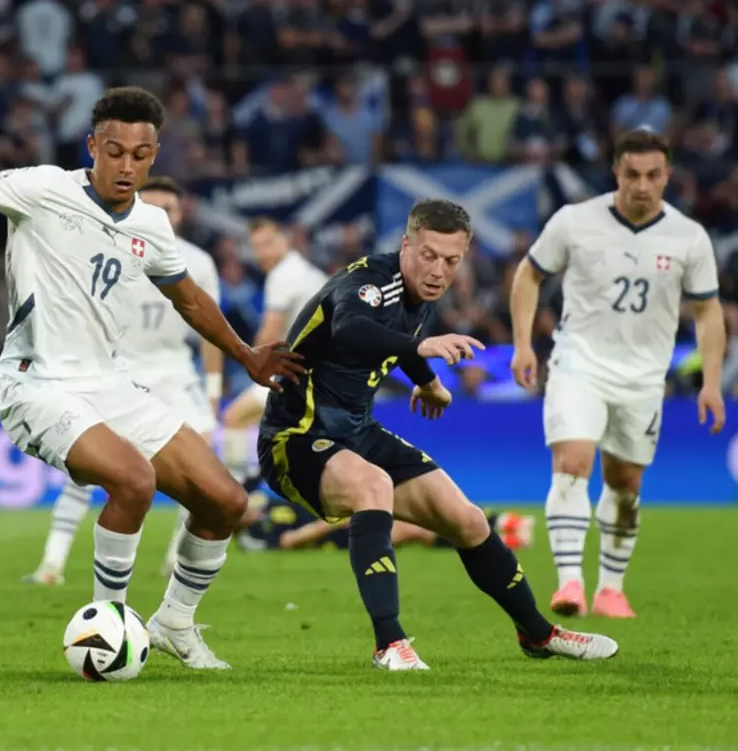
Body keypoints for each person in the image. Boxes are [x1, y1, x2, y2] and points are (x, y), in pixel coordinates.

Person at [0, 87, 304, 671]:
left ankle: (174, 622)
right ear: (92, 146)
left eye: (140, 155)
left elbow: (190, 299)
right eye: (114, 152)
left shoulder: (151, 223)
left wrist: (245, 354)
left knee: (225, 500)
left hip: (110, 383)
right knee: (134, 479)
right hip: (36, 383)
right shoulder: (45, 188)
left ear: (154, 155)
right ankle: (107, 629)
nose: (126, 166)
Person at [256, 198, 618, 671]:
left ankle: (538, 634)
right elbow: (351, 330)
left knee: (468, 520)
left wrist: (426, 381)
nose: (438, 271)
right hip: (295, 438)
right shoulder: (370, 284)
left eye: (451, 260)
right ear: (406, 245)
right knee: (373, 486)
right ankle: (390, 643)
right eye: (428, 255)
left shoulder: (417, 294)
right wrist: (422, 348)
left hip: (357, 432)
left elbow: (395, 341)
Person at [509, 129, 725, 620]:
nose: (642, 185)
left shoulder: (689, 237)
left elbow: (708, 312)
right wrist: (522, 343)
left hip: (644, 378)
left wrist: (711, 382)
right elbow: (529, 273)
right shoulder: (575, 221)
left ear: (667, 177)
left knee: (625, 483)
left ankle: (611, 589)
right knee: (572, 462)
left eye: (652, 175)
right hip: (578, 363)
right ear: (616, 173)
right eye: (632, 175)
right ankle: (570, 583)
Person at [23, 176, 224, 585]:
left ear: (180, 214)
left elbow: (209, 329)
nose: (161, 214)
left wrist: (214, 388)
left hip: (173, 370)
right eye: (153, 206)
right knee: (85, 466)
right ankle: (51, 563)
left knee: (201, 462)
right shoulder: (103, 248)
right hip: (117, 368)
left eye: (169, 208)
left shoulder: (199, 262)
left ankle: (177, 558)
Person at [219, 219, 329, 481]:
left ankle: (239, 488)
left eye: (268, 243)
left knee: (234, 418)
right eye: (256, 247)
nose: (262, 253)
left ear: (285, 240)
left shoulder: (283, 275)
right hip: (322, 375)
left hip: (298, 376)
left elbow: (268, 335)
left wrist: (251, 362)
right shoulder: (308, 272)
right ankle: (255, 480)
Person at [237, 491, 534, 553]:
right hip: (338, 536)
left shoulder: (262, 502)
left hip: (339, 513)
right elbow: (289, 542)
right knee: (414, 529)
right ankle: (503, 537)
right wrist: (334, 523)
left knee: (420, 509)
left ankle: (502, 525)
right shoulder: (254, 537)